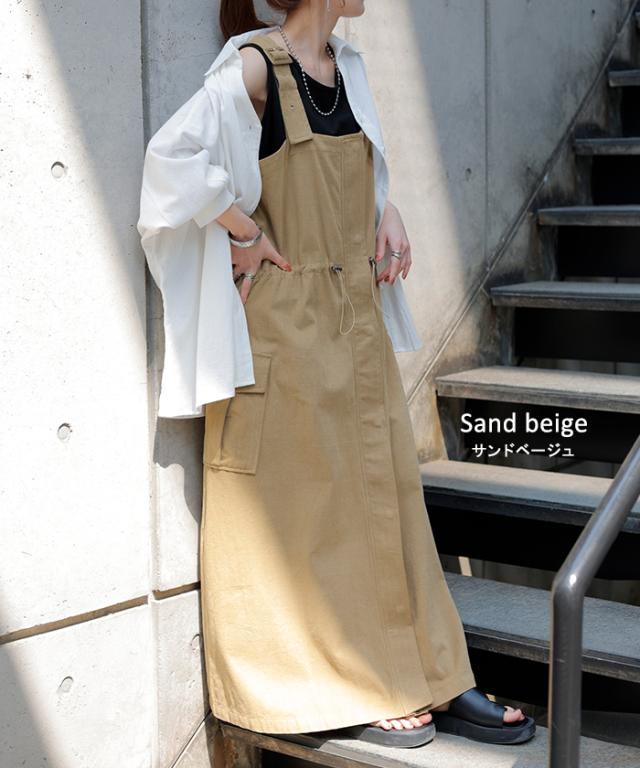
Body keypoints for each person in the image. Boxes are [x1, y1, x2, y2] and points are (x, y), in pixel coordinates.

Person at [137, 0, 536, 750]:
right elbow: (170, 162)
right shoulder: (255, 68)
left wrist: (387, 211)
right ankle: (344, 684)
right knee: (311, 515)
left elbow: (355, 178)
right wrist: (242, 228)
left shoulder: (345, 67)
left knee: (387, 503)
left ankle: (434, 672)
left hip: (355, 319)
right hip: (289, 325)